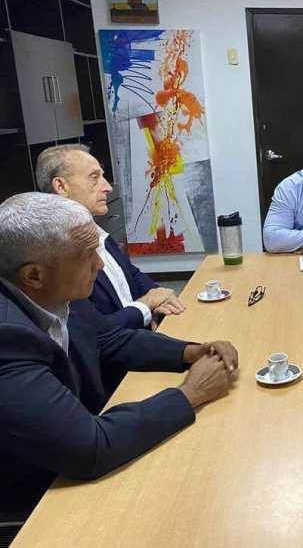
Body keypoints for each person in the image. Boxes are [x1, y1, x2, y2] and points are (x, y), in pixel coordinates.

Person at [0, 192, 239, 524]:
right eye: (87, 255)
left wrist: (190, 351)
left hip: (71, 462)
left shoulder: (57, 290)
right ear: (34, 275)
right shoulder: (7, 339)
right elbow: (90, 447)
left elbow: (108, 339)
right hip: (38, 502)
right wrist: (192, 392)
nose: (99, 264)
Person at [35, 143, 185, 331]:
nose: (107, 187)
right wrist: (147, 304)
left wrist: (161, 298)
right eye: (94, 177)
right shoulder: (58, 256)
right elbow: (96, 333)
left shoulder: (95, 229)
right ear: (61, 186)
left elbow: (131, 274)